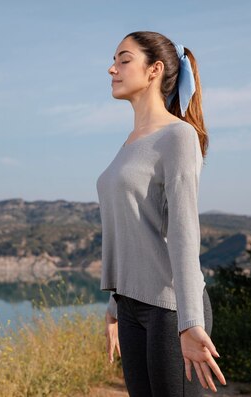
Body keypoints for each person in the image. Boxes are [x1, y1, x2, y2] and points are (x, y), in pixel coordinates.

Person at [95, 31, 227, 396]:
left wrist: (190, 323)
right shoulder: (129, 144)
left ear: (154, 70)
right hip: (131, 306)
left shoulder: (178, 136)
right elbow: (131, 230)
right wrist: (113, 305)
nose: (112, 69)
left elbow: (183, 233)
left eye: (124, 60)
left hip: (170, 310)